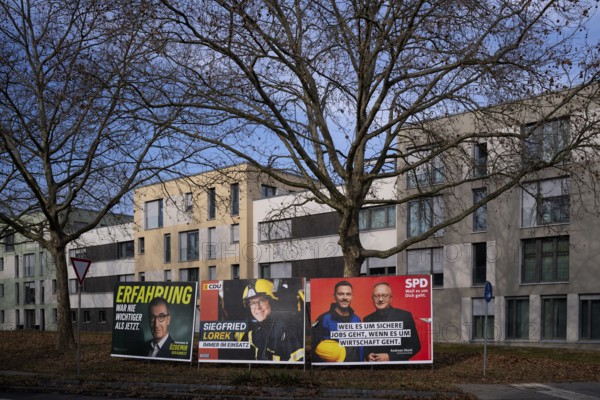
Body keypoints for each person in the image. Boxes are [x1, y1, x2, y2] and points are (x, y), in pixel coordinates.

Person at [242, 279, 304, 362]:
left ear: (272, 302)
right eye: (252, 303)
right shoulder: (252, 331)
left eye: (262, 301)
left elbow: (297, 366)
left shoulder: (288, 329)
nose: (257, 307)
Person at [363, 282, 421, 361]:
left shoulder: (404, 316)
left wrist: (390, 357)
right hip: (374, 368)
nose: (380, 299)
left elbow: (415, 346)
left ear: (391, 299)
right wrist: (367, 354)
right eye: (376, 296)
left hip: (398, 368)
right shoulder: (367, 319)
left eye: (385, 296)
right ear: (372, 299)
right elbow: (365, 346)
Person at [312, 280, 363, 362]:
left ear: (352, 297)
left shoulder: (357, 319)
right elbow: (314, 348)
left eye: (348, 294)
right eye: (341, 294)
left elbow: (360, 347)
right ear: (334, 296)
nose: (345, 298)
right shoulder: (323, 318)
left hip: (354, 369)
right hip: (333, 370)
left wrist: (361, 366)